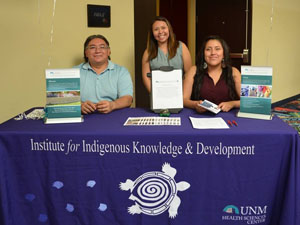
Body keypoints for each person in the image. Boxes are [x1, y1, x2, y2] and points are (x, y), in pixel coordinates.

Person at [76, 34, 133, 114]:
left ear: (109, 51)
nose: (97, 51)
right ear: (86, 53)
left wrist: (112, 105)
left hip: (113, 115)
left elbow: (128, 99)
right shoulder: (74, 72)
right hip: (84, 116)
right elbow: (66, 97)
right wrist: (79, 106)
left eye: (102, 47)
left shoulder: (121, 71)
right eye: (92, 47)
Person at [183, 35, 241, 113]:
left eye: (217, 49)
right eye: (208, 49)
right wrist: (195, 104)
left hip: (228, 118)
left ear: (223, 53)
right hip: (200, 118)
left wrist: (233, 104)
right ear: (203, 54)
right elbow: (183, 100)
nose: (213, 53)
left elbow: (247, 101)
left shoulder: (234, 72)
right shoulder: (194, 70)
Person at [142, 16, 192, 93]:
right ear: (152, 33)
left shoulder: (181, 47)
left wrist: (184, 94)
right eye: (156, 29)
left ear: (169, 29)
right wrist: (155, 94)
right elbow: (146, 78)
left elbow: (189, 74)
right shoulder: (148, 52)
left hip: (180, 94)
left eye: (163, 28)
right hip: (157, 95)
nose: (160, 32)